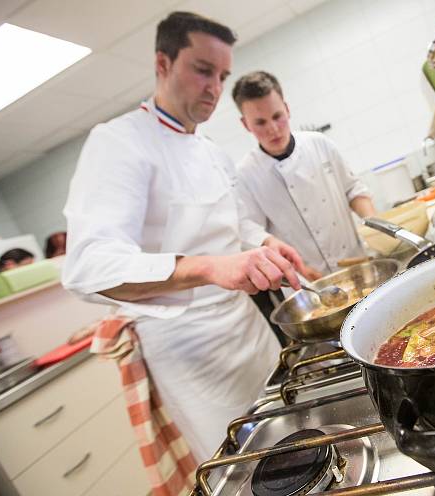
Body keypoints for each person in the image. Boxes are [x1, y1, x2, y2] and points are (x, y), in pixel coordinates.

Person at [62, 12, 307, 463]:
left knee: (302, 431)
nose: (215, 87)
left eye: (221, 75)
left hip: (249, 334)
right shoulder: (119, 142)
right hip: (190, 351)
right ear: (163, 63)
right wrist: (210, 267)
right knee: (248, 467)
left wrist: (264, 243)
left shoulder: (211, 151)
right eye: (202, 69)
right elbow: (87, 266)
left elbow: (235, 226)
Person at [231, 71, 376, 277]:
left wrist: (375, 226)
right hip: (307, 284)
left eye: (277, 116)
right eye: (260, 123)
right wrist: (291, 268)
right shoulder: (245, 175)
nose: (273, 129)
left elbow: (353, 189)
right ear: (245, 124)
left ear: (287, 110)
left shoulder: (320, 144)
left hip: (358, 266)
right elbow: (249, 230)